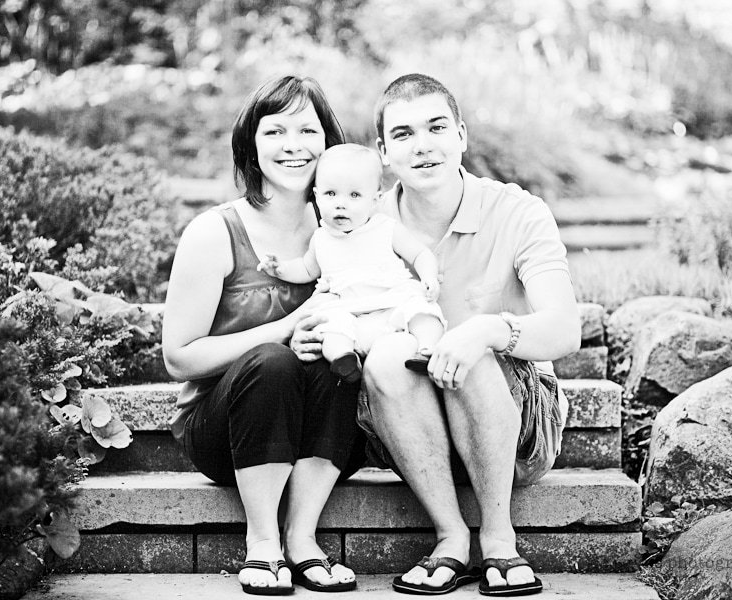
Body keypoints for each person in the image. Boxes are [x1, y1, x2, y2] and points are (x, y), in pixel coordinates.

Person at [290, 73, 580, 596]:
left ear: (462, 135)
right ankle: (450, 538)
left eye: (436, 127)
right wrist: (306, 336)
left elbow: (565, 329)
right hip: (408, 428)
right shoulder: (357, 218)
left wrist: (490, 331)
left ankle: (498, 538)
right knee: (386, 356)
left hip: (516, 426)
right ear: (383, 152)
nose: (422, 145)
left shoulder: (516, 212)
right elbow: (325, 294)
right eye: (402, 134)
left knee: (467, 346)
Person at [162, 75, 363, 596]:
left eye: (307, 130)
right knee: (275, 359)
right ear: (251, 144)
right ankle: (263, 543)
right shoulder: (214, 232)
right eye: (275, 132)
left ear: (330, 143)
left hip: (326, 429)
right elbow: (180, 358)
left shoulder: (354, 227)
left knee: (336, 358)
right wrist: (283, 329)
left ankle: (302, 540)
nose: (293, 146)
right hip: (226, 432)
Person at [257, 143, 446, 383]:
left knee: (423, 312)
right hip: (349, 311)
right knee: (330, 327)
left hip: (393, 301)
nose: (340, 203)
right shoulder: (321, 238)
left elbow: (420, 254)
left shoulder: (385, 228)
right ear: (316, 196)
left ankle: (427, 350)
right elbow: (306, 268)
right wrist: (280, 268)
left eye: (354, 195)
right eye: (330, 194)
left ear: (375, 200)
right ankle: (344, 359)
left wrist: (428, 277)